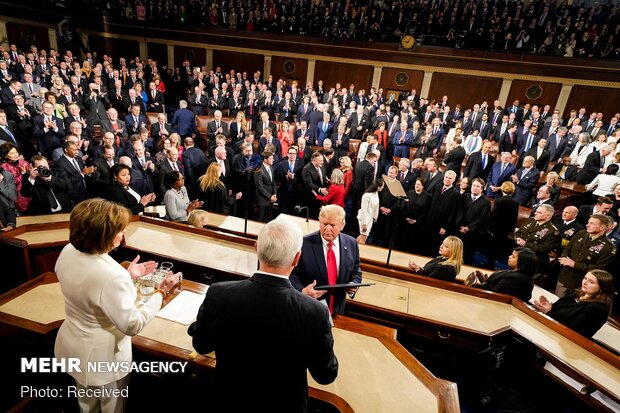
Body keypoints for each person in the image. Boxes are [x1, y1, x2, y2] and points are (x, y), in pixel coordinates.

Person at [188, 215, 338, 412]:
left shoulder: (219, 293)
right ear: (296, 258)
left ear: (256, 247)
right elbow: (325, 375)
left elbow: (201, 345)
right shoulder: (315, 312)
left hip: (228, 401)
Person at [54, 198, 180, 413]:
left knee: (86, 406)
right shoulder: (111, 275)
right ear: (103, 235)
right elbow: (132, 324)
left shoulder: (68, 251)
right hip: (104, 358)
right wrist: (161, 292)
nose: (123, 235)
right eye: (120, 230)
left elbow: (89, 289)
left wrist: (127, 275)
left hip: (73, 345)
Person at [291, 205, 363, 315]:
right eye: (324, 224)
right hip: (309, 309)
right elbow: (292, 275)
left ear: (342, 225)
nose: (327, 229)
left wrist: (354, 284)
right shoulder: (304, 244)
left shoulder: (352, 243)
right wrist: (302, 291)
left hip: (338, 310)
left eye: (333, 225)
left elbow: (356, 270)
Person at [534, 270, 613, 338]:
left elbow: (572, 331)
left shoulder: (597, 308)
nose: (585, 282)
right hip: (550, 330)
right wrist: (548, 306)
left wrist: (548, 312)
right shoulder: (578, 294)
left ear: (602, 288)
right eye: (585, 278)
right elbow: (556, 307)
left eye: (591, 282)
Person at [556, 214, 616, 298]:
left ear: (602, 228)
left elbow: (599, 269)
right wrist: (565, 259)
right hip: (565, 276)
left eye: (592, 223)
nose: (587, 225)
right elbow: (567, 249)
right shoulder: (581, 233)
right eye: (588, 222)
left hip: (582, 284)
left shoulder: (609, 247)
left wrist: (574, 264)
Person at [469, 248, 537, 302]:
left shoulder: (516, 279)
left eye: (513, 257)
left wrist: (484, 283)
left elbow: (494, 295)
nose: (509, 257)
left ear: (522, 262)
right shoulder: (516, 272)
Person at [356, 179, 383, 245]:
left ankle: (351, 247)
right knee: (363, 237)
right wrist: (364, 223)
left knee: (363, 236)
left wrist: (375, 217)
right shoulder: (367, 195)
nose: (383, 187)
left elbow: (376, 206)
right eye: (382, 186)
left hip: (370, 218)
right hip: (364, 218)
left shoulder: (376, 194)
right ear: (378, 187)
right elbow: (364, 210)